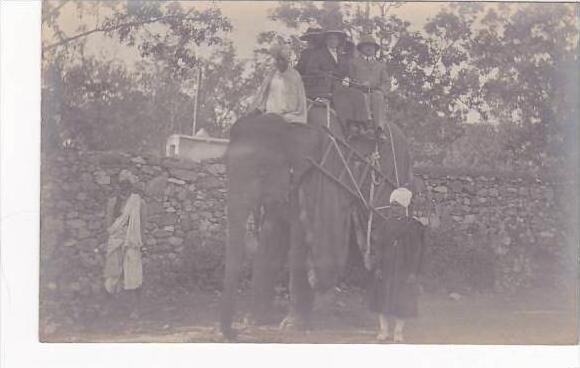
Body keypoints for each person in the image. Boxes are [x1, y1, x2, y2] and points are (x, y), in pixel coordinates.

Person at [366, 187, 426, 343]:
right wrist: (377, 267)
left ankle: (398, 332)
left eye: (398, 206)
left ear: (405, 207)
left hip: (403, 269)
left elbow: (417, 251)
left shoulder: (414, 226)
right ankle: (384, 331)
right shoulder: (385, 225)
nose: (394, 209)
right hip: (386, 267)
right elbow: (379, 247)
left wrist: (413, 271)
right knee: (382, 299)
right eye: (392, 206)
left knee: (402, 300)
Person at [304, 29, 369, 129]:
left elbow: (345, 72)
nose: (333, 41)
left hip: (338, 84)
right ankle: (348, 124)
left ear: (338, 41)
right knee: (341, 95)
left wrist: (351, 79)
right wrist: (325, 74)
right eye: (330, 39)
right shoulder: (318, 54)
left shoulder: (341, 56)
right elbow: (310, 70)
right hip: (323, 85)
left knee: (358, 94)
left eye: (335, 39)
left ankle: (362, 124)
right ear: (326, 41)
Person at [104, 178, 147, 319]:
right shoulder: (112, 202)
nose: (124, 189)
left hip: (132, 242)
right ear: (118, 187)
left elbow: (142, 226)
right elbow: (109, 225)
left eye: (126, 186)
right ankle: (109, 307)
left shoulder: (138, 203)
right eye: (121, 186)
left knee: (133, 273)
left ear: (131, 187)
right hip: (116, 240)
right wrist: (115, 236)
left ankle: (136, 309)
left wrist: (140, 243)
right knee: (112, 273)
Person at [249, 44, 307, 124]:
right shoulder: (272, 74)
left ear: (287, 60)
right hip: (269, 113)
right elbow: (264, 95)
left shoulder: (294, 76)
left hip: (288, 114)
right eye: (277, 59)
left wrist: (283, 113)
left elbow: (297, 100)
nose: (279, 62)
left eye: (282, 59)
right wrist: (260, 108)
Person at [349, 34, 391, 134]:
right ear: (361, 48)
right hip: (359, 91)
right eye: (366, 45)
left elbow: (386, 82)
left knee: (378, 96)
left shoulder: (380, 66)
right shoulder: (354, 63)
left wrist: (380, 90)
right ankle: (366, 123)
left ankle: (379, 127)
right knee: (363, 96)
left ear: (375, 49)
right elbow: (350, 79)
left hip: (375, 92)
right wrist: (359, 85)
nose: (369, 48)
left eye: (371, 46)